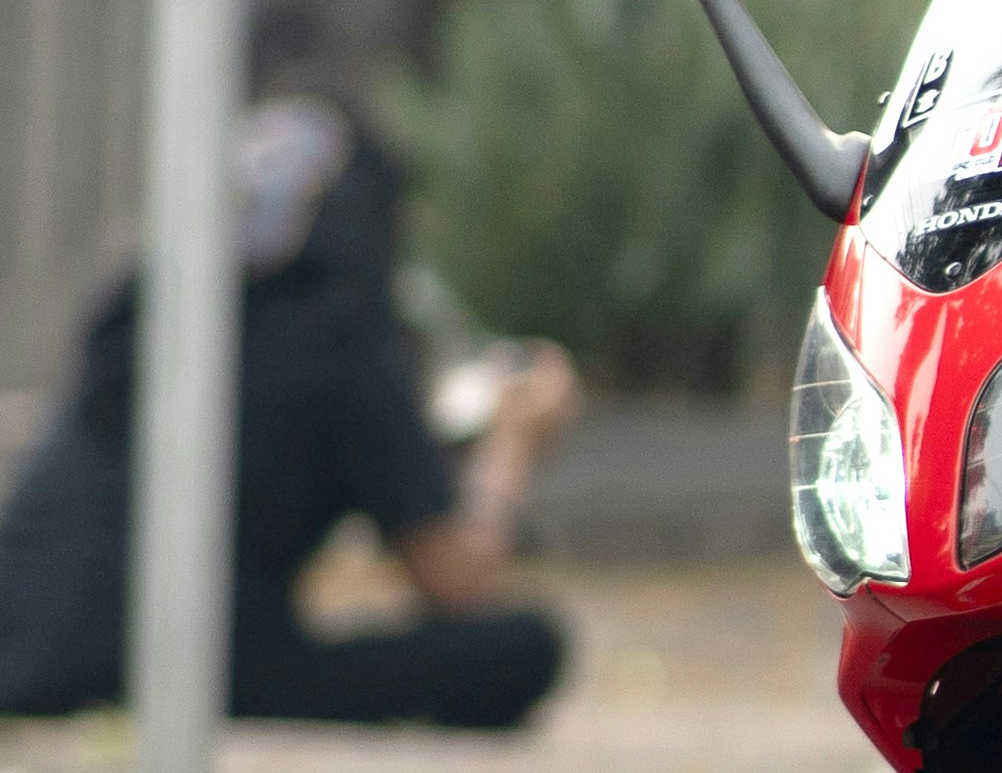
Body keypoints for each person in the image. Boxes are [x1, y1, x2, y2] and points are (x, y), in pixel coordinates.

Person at [0, 97, 576, 731]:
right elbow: (456, 586)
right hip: (174, 664)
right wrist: (514, 441)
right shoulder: (341, 346)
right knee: (521, 646)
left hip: (21, 652)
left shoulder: (151, 310)